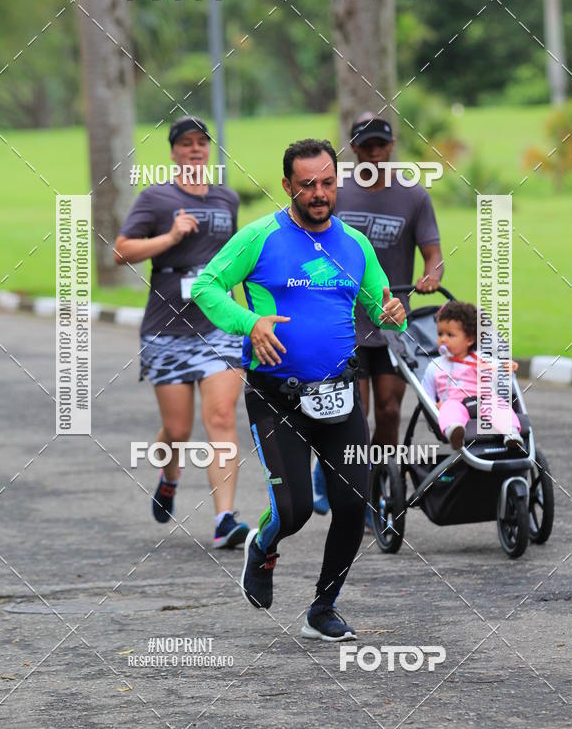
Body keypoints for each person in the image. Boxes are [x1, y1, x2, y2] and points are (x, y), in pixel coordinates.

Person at [191, 138, 407, 641]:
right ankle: (263, 546)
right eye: (307, 184)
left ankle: (322, 608)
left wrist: (390, 310)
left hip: (339, 393)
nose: (318, 193)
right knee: (295, 511)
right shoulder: (260, 237)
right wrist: (250, 323)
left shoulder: (354, 244)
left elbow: (378, 305)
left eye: (327, 183)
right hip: (277, 395)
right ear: (288, 185)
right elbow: (206, 286)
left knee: (355, 504)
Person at [113, 116, 249, 549]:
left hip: (220, 325)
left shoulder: (227, 198)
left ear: (208, 150)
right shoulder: (156, 197)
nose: (195, 149)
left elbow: (236, 261)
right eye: (186, 143)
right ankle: (169, 477)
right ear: (173, 152)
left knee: (223, 419)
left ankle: (225, 519)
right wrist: (170, 236)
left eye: (201, 143)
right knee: (178, 430)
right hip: (168, 329)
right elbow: (122, 251)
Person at [312, 111, 444, 514]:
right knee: (356, 411)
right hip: (344, 320)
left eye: (380, 146)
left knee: (389, 409)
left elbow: (434, 255)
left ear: (391, 146)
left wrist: (431, 276)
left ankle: (380, 483)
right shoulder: (337, 194)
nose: (373, 154)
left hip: (391, 319)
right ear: (352, 148)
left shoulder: (413, 196)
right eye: (365, 146)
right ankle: (348, 485)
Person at [421, 300, 522, 450]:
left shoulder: (482, 359)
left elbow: (499, 376)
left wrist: (507, 369)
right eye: (440, 334)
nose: (443, 339)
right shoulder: (435, 366)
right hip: (455, 403)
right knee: (449, 408)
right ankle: (454, 430)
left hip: (484, 401)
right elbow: (426, 392)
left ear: (469, 339)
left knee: (498, 405)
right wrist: (433, 406)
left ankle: (511, 433)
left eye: (450, 335)